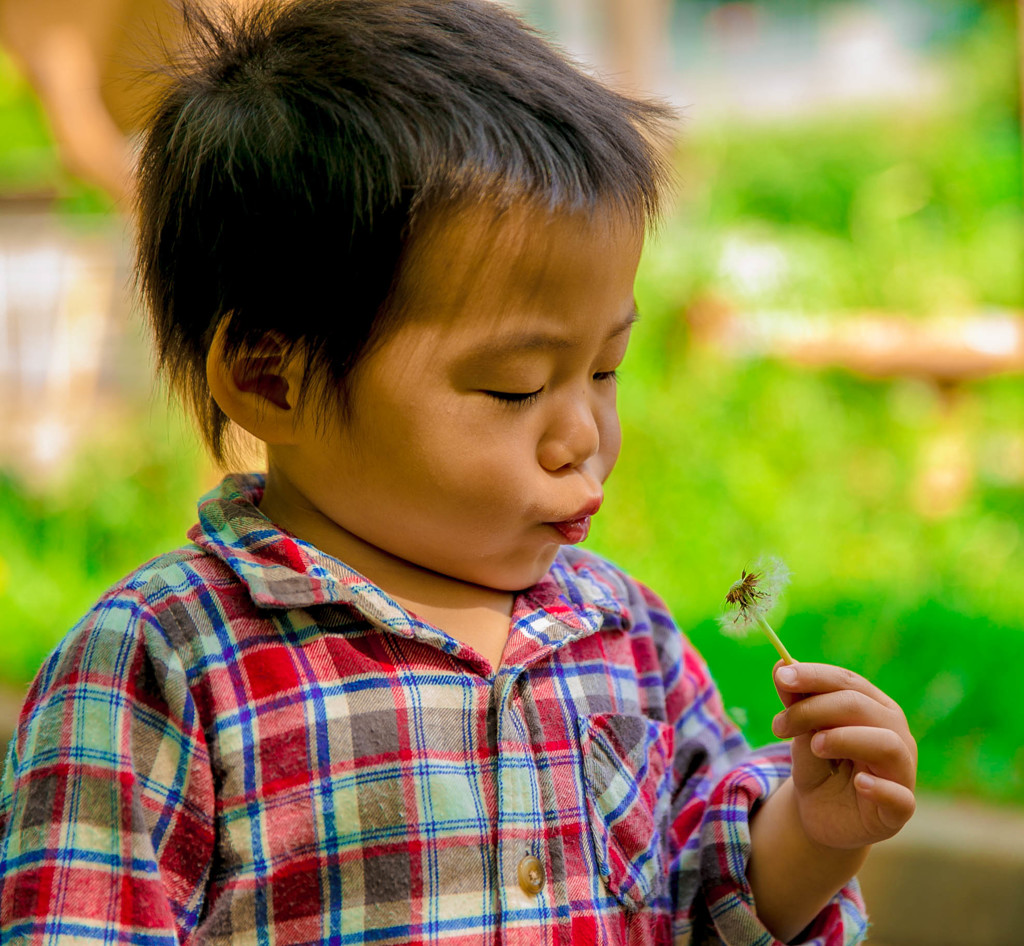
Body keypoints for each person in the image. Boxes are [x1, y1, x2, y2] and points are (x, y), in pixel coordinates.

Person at [0, 1, 917, 943]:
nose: (582, 436)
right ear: (271, 378)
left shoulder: (625, 636)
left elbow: (705, 904)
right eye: (515, 387)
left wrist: (812, 832)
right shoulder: (164, 667)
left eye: (605, 370)